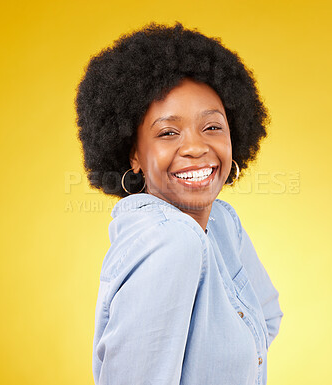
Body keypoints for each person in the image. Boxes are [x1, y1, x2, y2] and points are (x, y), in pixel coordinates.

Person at [75, 21, 283, 385]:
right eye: (168, 132)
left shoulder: (220, 221)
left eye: (213, 127)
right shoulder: (171, 240)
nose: (195, 147)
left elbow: (266, 317)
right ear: (133, 154)